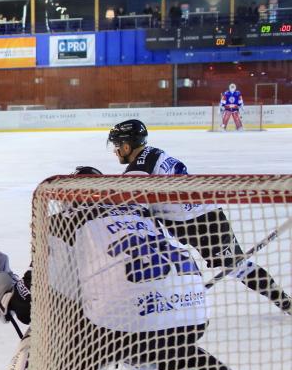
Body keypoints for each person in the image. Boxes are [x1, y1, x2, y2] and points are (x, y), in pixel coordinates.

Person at [0, 184, 262, 370]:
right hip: (191, 311)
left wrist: (9, 299)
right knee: (166, 349)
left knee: (58, 340)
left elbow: (35, 299)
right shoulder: (142, 213)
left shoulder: (64, 223)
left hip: (122, 322)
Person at [108, 119, 291, 313]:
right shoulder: (153, 154)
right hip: (192, 218)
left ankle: (284, 302)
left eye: (117, 145)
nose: (115, 151)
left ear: (126, 146)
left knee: (237, 267)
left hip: (203, 223)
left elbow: (128, 200)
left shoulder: (140, 167)